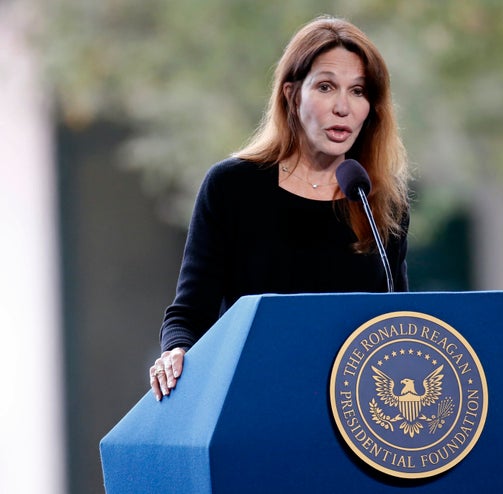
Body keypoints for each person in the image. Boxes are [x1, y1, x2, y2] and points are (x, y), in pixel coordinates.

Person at [149, 16, 410, 400]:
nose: (343, 107)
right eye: (326, 87)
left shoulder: (377, 201)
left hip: (359, 410)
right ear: (291, 94)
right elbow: (190, 314)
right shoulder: (233, 187)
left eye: (358, 91)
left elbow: (401, 326)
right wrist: (176, 352)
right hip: (255, 400)